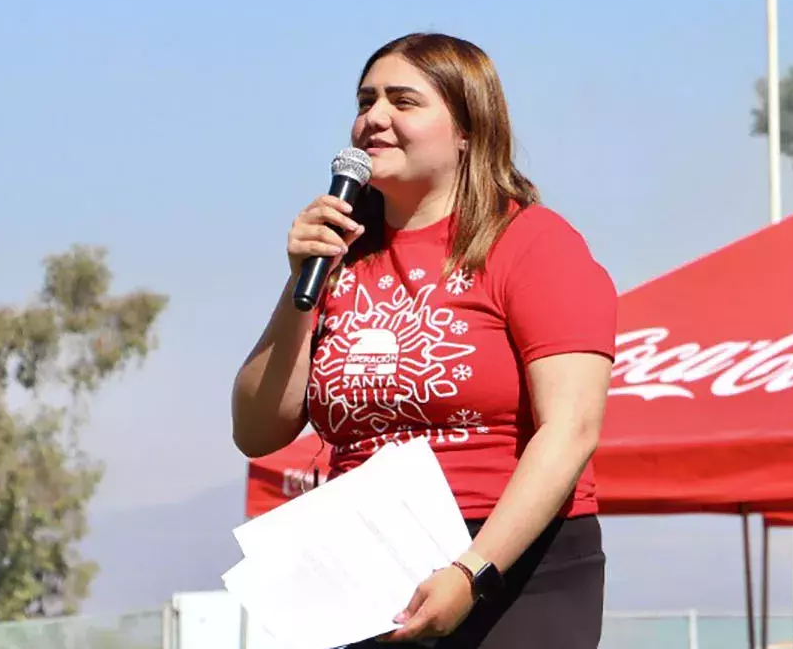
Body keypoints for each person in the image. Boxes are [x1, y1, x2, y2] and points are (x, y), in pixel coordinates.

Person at [231, 32, 617, 648]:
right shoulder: (338, 257)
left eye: (403, 101)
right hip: (364, 568)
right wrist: (299, 282)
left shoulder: (534, 243)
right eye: (365, 100)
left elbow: (570, 429)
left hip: (511, 563)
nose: (373, 118)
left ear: (468, 128)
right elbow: (255, 431)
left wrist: (472, 570)